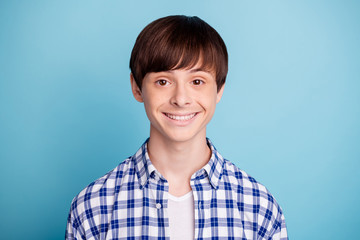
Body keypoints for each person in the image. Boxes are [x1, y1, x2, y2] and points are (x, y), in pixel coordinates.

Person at [66, 15, 288, 240]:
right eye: (163, 81)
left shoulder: (259, 208)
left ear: (219, 89)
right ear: (137, 88)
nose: (181, 99)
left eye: (197, 81)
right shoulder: (91, 208)